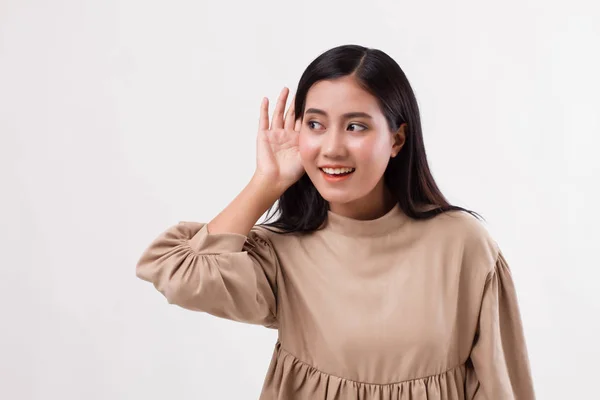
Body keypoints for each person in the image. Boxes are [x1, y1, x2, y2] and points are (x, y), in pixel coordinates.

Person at [135, 44, 535, 399]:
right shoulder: (282, 252)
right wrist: (265, 182)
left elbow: (503, 387)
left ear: (397, 139)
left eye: (355, 126)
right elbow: (179, 274)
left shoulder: (463, 245)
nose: (332, 147)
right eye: (315, 124)